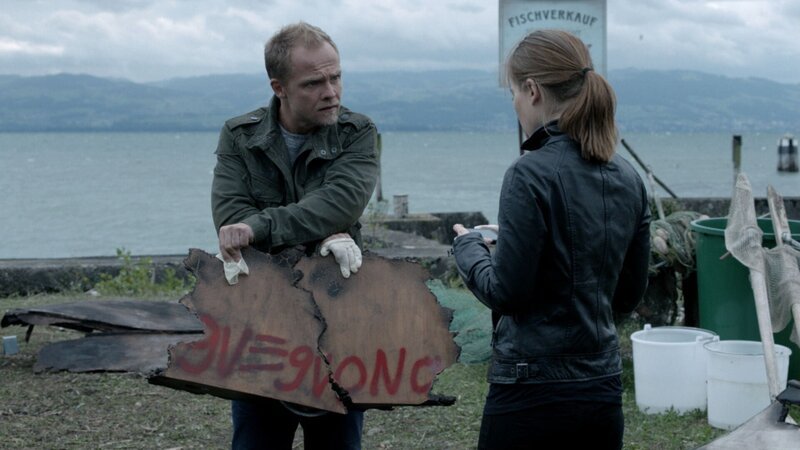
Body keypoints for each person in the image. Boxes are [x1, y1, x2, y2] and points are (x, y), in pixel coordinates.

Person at [452, 29, 651, 449]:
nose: (515, 105)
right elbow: (626, 296)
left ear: (532, 89)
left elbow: (507, 293)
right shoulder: (629, 179)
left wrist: (468, 246)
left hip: (530, 391)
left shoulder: (528, 174)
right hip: (600, 387)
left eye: (514, 94)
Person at [210, 22, 379, 450]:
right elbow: (231, 215)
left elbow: (340, 203)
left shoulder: (356, 132)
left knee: (338, 442)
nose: (332, 92)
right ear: (279, 87)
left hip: (338, 320)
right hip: (260, 320)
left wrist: (260, 227)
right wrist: (315, 231)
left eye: (336, 76)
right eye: (314, 82)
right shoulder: (240, 135)